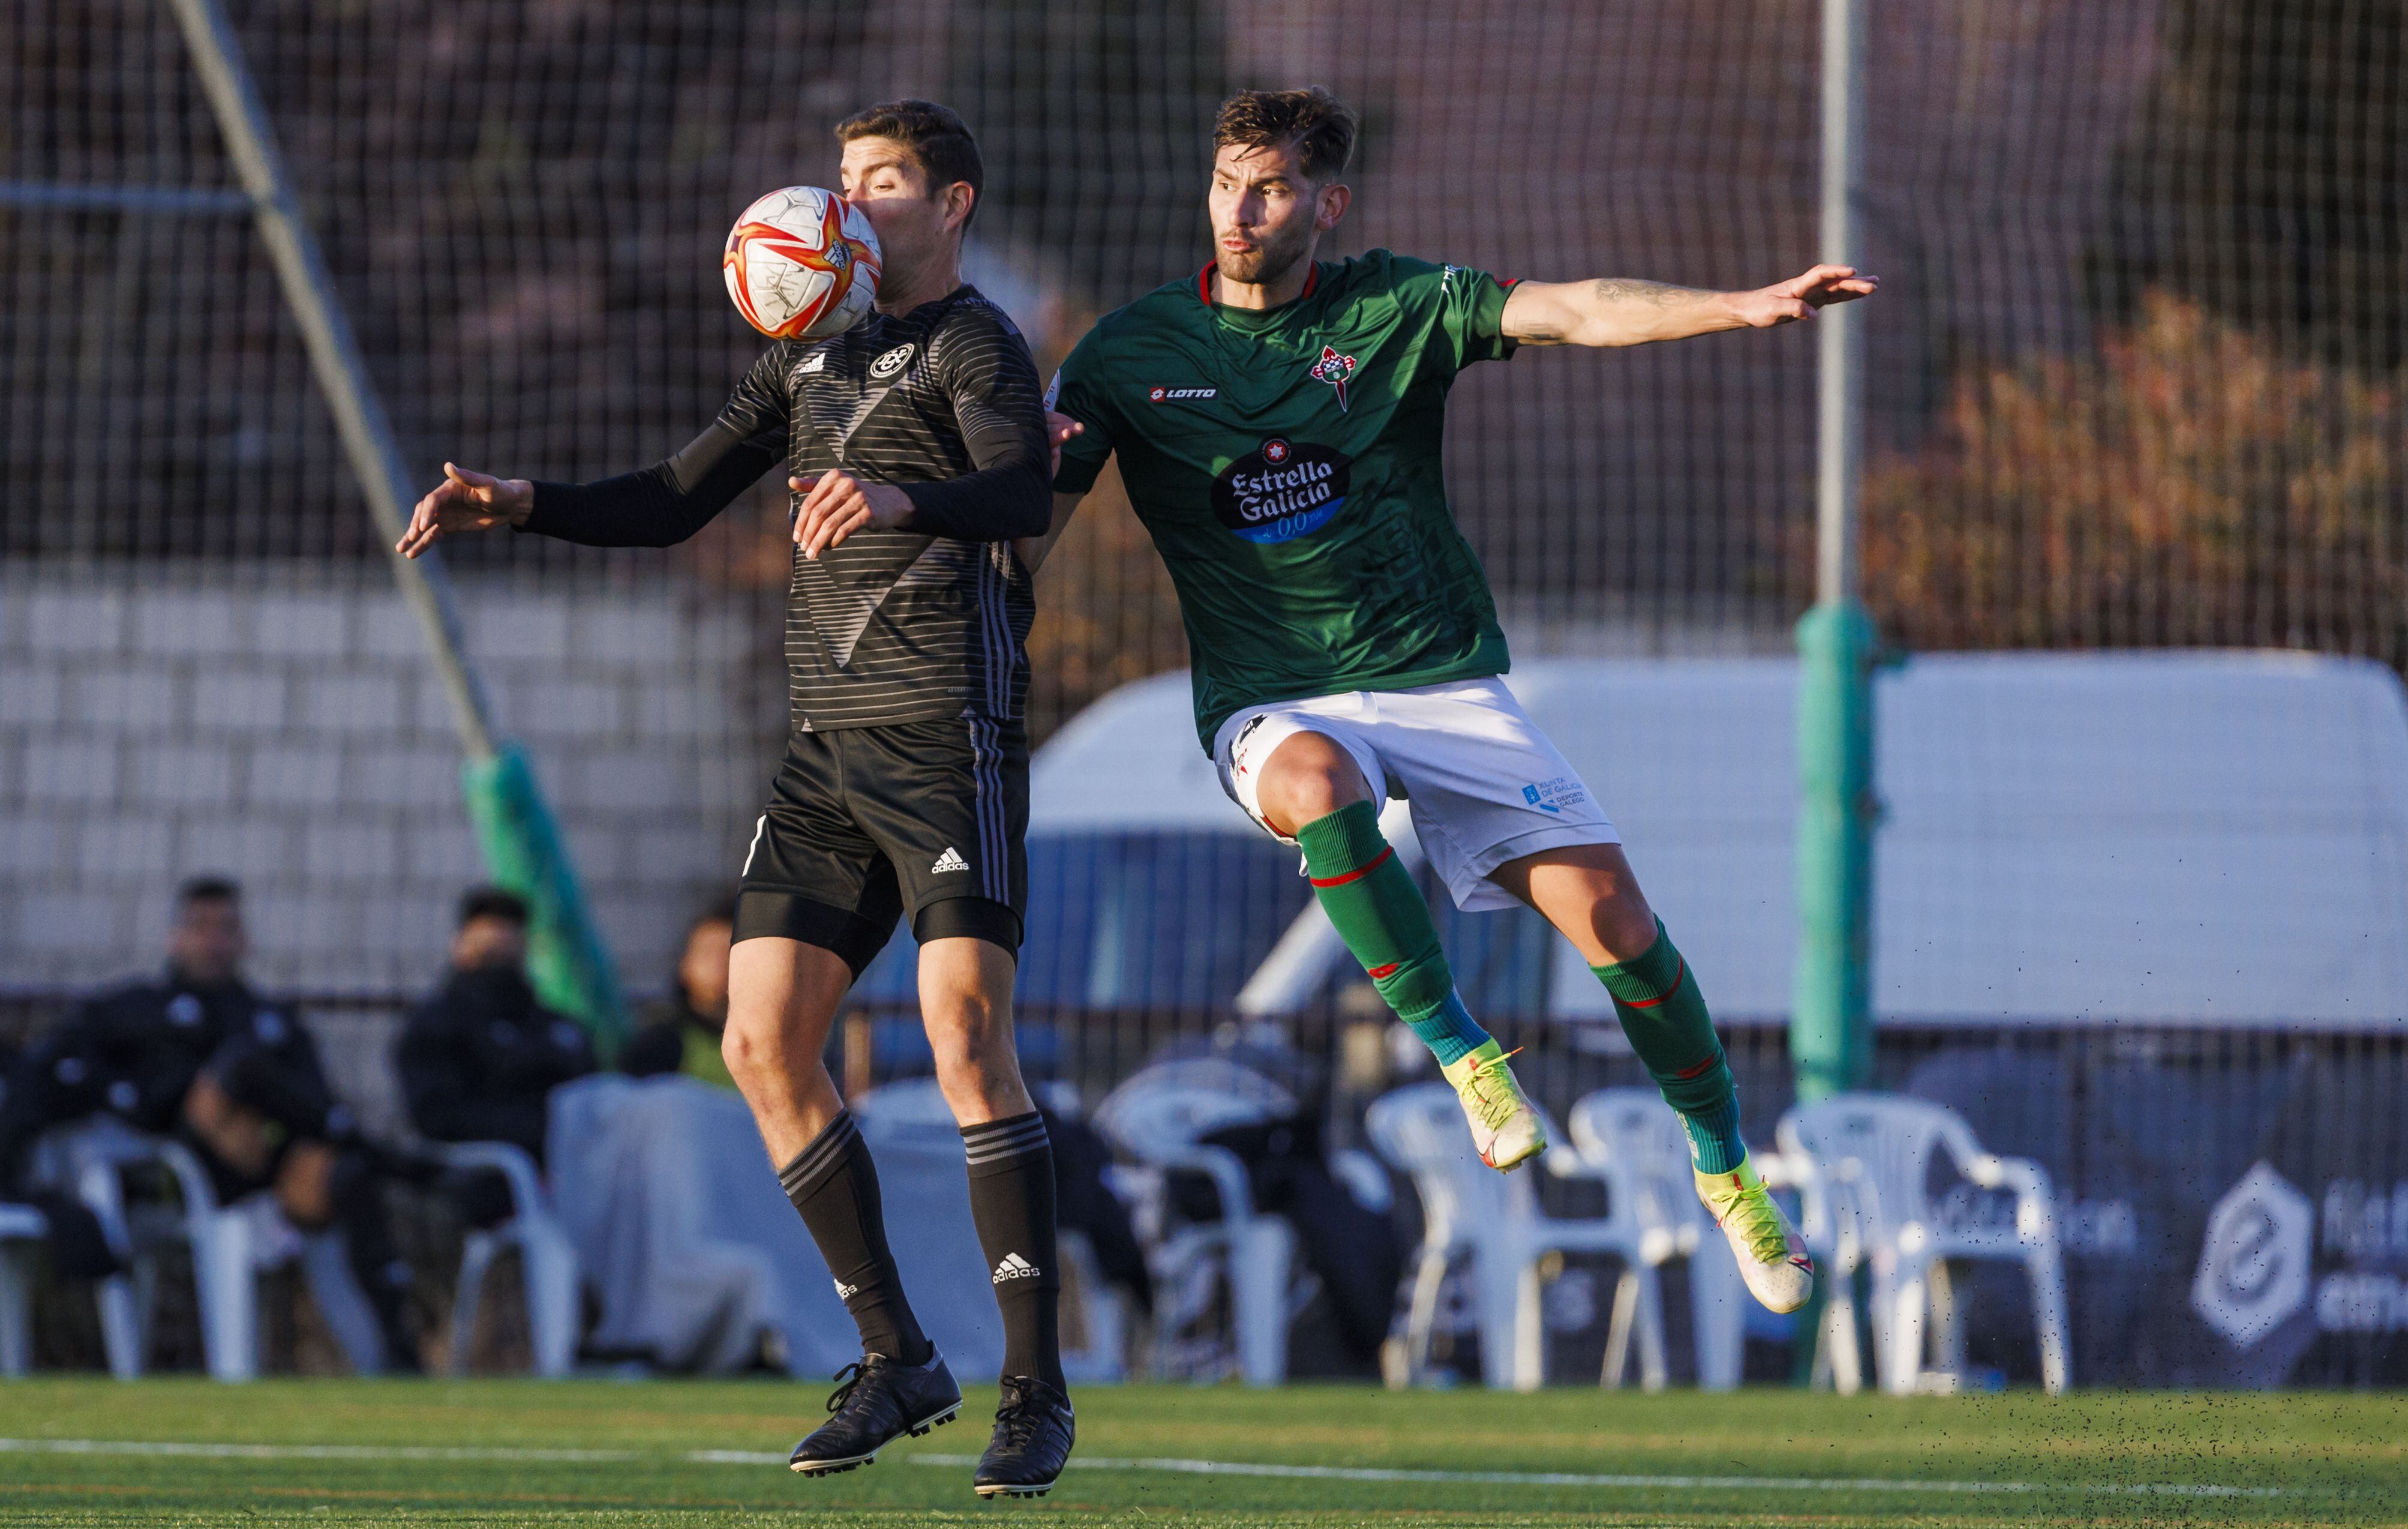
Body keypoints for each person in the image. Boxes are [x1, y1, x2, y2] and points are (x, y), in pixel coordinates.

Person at [1037, 88, 1878, 1317]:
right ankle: (1470, 1058)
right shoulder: (1128, 353)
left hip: (1438, 675)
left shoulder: (1396, 304)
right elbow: (1029, 525)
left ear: (1326, 204)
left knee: (1619, 927)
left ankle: (1728, 1170)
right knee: (1320, 782)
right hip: (1272, 694)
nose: (1241, 209)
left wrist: (1738, 305)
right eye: (1227, 181)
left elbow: (1579, 309)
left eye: (1270, 188)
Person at [397, 101, 1073, 1495]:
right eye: (841, 184)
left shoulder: (974, 343)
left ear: (950, 206)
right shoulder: (804, 354)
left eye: (883, 186)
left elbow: (1022, 490)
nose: (852, 208)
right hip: (827, 753)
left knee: (960, 1044)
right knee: (762, 1045)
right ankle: (897, 1357)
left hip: (948, 733)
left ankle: (1035, 1392)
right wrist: (521, 501)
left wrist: (901, 506)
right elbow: (669, 500)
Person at [0, 877, 423, 1368]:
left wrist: (271, 1137)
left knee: (344, 1176)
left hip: (271, 1170)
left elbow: (314, 1096)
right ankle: (387, 1158)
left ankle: (394, 1356)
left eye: (226, 929)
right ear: (174, 937)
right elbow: (63, 1075)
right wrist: (154, 1107)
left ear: (244, 941)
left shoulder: (271, 1019)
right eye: (201, 927)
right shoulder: (131, 1011)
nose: (213, 941)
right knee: (242, 1070)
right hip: (170, 1174)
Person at [395, 888, 596, 1219]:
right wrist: (544, 1133)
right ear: (460, 945)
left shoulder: (557, 1026)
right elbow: (438, 1116)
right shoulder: (437, 1025)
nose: (500, 950)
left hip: (581, 1162)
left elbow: (594, 1092)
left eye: (509, 941)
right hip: (496, 1173)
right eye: (487, 946)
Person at [621, 901, 738, 1089]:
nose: (720, 965)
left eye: (729, 953)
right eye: (708, 953)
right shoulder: (662, 1043)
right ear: (685, 965)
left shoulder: (773, 1039)